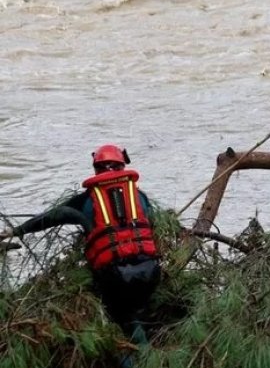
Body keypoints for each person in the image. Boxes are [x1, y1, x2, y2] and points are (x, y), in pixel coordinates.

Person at [0, 144, 161, 347]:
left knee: (119, 322)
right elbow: (152, 223)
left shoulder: (87, 200)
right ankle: (147, 345)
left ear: (96, 169)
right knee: (139, 314)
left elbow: (54, 216)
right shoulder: (139, 196)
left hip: (116, 276)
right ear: (122, 166)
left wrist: (16, 231)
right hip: (150, 270)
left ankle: (135, 363)